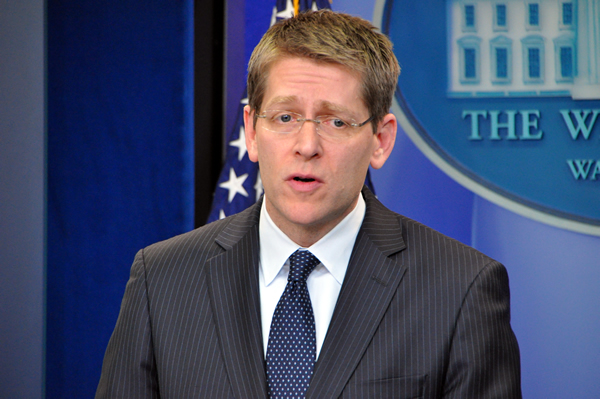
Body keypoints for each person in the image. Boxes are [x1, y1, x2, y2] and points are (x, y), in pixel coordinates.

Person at [96, 10, 521, 398]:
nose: (306, 145)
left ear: (381, 140)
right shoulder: (162, 280)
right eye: (285, 117)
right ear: (251, 128)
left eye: (335, 121)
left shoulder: (461, 288)